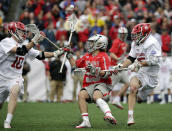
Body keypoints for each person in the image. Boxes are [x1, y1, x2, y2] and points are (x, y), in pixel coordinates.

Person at [0, 21, 65, 128]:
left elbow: (39, 55)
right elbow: (20, 51)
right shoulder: (6, 42)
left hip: (15, 77)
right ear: (12, 31)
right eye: (20, 31)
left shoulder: (24, 44)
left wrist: (56, 53)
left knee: (15, 90)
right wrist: (34, 42)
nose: (23, 34)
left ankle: (7, 121)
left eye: (23, 32)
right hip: (2, 77)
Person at [67, 34, 117, 128]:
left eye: (92, 43)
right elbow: (75, 65)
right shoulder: (87, 56)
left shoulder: (104, 56)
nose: (89, 44)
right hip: (90, 83)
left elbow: (106, 74)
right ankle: (86, 121)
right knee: (81, 95)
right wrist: (69, 54)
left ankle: (109, 115)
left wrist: (95, 71)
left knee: (96, 96)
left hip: (102, 83)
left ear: (99, 44)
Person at [117, 23, 161, 125]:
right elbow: (131, 58)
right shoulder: (135, 43)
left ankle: (140, 97)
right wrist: (121, 66)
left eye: (138, 34)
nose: (135, 36)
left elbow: (154, 60)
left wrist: (139, 64)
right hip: (140, 73)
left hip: (151, 76)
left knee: (140, 99)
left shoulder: (152, 42)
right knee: (132, 88)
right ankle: (130, 117)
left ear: (145, 34)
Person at [109, 27, 129, 109]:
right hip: (115, 67)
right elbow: (111, 54)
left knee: (127, 83)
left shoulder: (125, 43)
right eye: (122, 34)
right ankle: (98, 99)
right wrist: (117, 59)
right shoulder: (116, 42)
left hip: (121, 67)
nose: (123, 36)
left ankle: (116, 99)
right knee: (110, 86)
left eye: (124, 34)